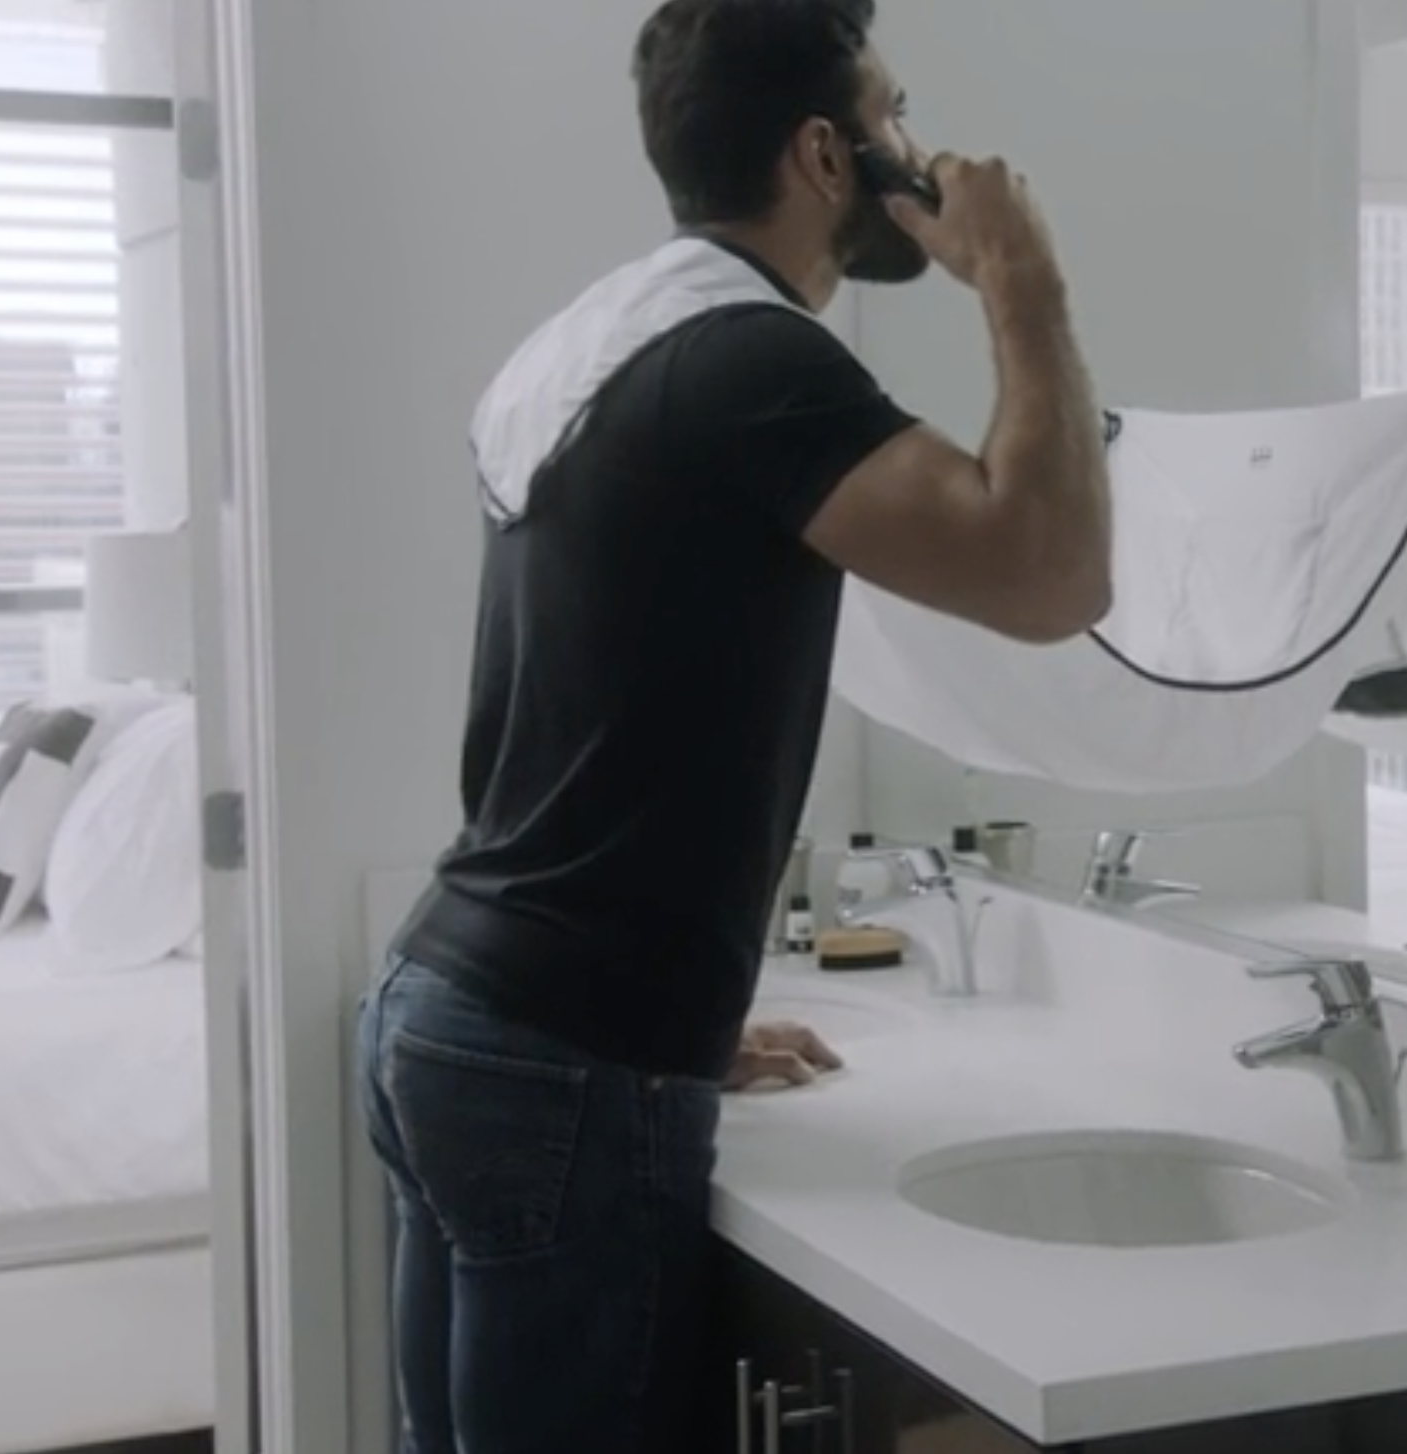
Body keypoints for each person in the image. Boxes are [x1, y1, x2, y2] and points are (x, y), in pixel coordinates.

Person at [353, 1, 1111, 1449]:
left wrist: (681, 1016)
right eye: (898, 116)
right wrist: (1023, 280)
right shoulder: (752, 364)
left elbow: (612, 693)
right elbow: (1052, 573)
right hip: (558, 1053)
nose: (922, 151)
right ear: (830, 153)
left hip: (454, 1007)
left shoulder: (605, 334)